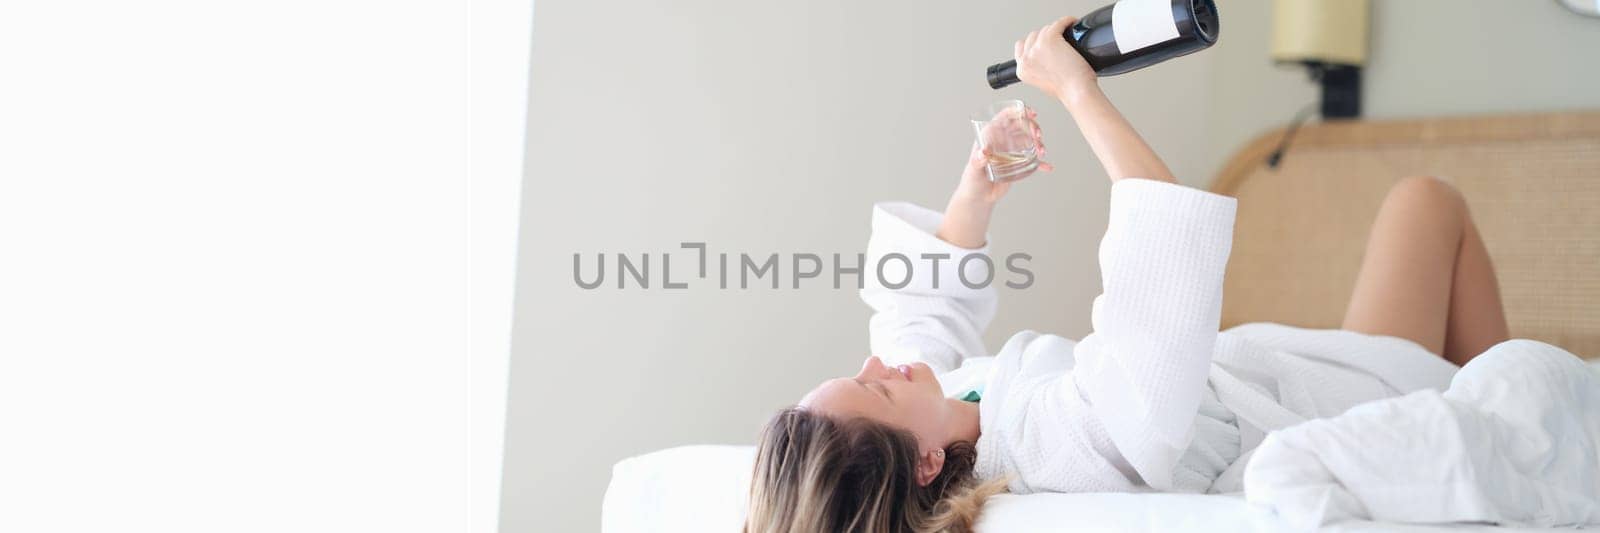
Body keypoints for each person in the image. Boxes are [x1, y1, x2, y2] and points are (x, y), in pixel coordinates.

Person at [743, 15, 1510, 533]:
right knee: (1425, 204)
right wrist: (1078, 89)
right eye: (876, 386)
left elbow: (920, 312)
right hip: (1352, 400)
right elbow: (1161, 260)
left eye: (859, 369)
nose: (879, 360)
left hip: (1300, 366)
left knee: (1427, 209)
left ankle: (1498, 398)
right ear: (924, 462)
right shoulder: (1054, 447)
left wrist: (976, 190)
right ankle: (1498, 413)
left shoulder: (955, 411)